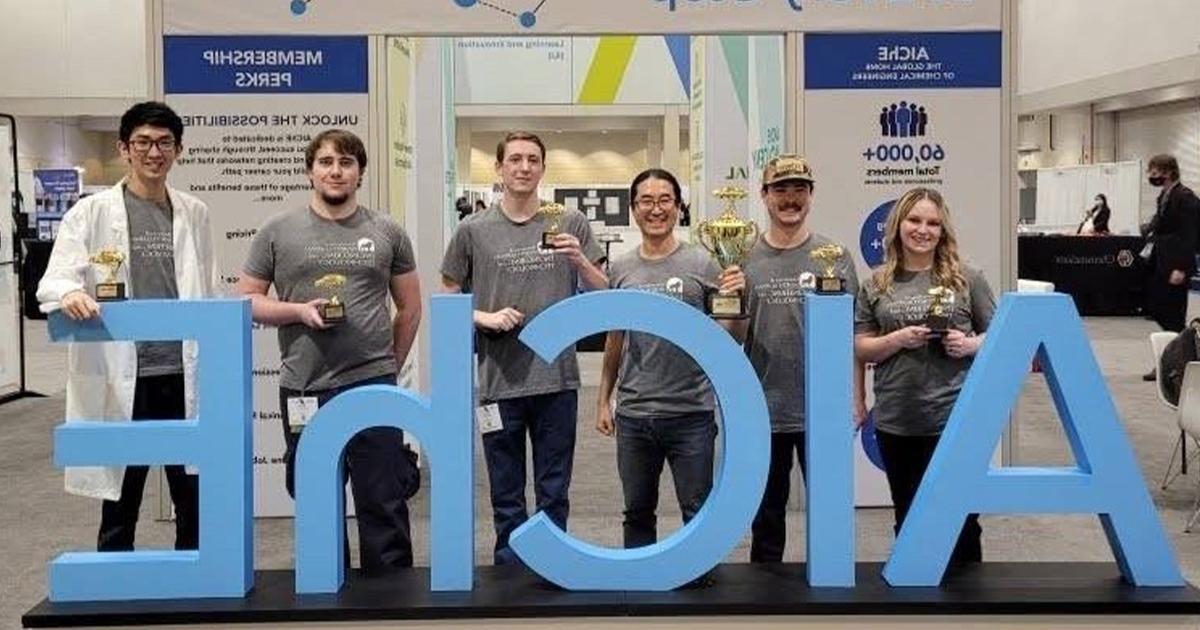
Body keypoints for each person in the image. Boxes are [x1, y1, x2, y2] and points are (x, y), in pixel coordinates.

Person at [237, 129, 422, 575]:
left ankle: (392, 594)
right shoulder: (277, 232)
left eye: (346, 163)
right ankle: (326, 585)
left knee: (383, 495)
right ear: (309, 171)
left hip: (372, 383)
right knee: (316, 494)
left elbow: (411, 308)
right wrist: (298, 311)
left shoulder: (387, 232)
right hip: (304, 385)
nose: (335, 171)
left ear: (360, 173)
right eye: (325, 162)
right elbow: (246, 302)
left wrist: (387, 368)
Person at [36, 101, 216, 551]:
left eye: (164, 143)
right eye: (143, 143)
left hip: (180, 371)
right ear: (124, 148)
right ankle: (113, 591)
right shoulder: (90, 213)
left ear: (178, 150)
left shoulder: (195, 212)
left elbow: (208, 289)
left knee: (191, 490)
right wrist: (72, 293)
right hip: (124, 375)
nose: (154, 153)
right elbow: (57, 278)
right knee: (121, 495)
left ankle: (194, 585)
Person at [441, 131, 607, 565]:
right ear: (498, 168)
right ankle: (509, 572)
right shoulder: (472, 231)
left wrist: (580, 261)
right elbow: (446, 298)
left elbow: (604, 290)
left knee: (554, 489)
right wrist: (483, 317)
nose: (523, 167)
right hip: (498, 381)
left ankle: (555, 566)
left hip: (557, 380)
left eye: (532, 159)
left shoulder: (569, 224)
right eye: (514, 159)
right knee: (506, 490)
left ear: (542, 168)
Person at [594, 168, 744, 550]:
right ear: (633, 209)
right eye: (646, 200)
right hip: (634, 414)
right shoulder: (621, 267)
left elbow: (731, 338)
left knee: (698, 510)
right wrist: (603, 400)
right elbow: (616, 336)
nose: (655, 209)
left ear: (679, 208)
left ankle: (701, 590)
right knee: (637, 512)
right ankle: (638, 592)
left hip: (690, 413)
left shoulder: (703, 264)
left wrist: (738, 302)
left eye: (665, 200)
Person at [853, 187, 995, 567]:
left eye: (932, 223)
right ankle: (916, 605)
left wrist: (969, 345)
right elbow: (861, 347)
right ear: (898, 225)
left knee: (962, 521)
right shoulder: (876, 283)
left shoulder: (968, 278)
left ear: (943, 230)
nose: (923, 230)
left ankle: (969, 609)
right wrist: (897, 339)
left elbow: (1001, 335)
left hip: (955, 419)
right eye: (915, 220)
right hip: (898, 421)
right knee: (909, 516)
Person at [737, 154, 860, 562]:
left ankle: (831, 594)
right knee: (766, 515)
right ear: (764, 196)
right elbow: (732, 335)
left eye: (799, 190)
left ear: (811, 196)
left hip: (822, 409)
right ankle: (762, 598)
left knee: (829, 511)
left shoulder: (835, 255)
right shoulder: (742, 257)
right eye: (780, 190)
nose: (790, 199)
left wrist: (856, 398)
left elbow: (855, 332)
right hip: (763, 406)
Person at [1141, 154, 1200, 380]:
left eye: (1155, 172)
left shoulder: (1187, 199)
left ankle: (1175, 364)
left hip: (1176, 265)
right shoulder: (1164, 196)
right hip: (1161, 261)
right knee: (1157, 309)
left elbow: (1189, 237)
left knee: (1173, 316)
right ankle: (1176, 360)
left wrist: (1182, 267)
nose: (1152, 176)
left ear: (1168, 172)